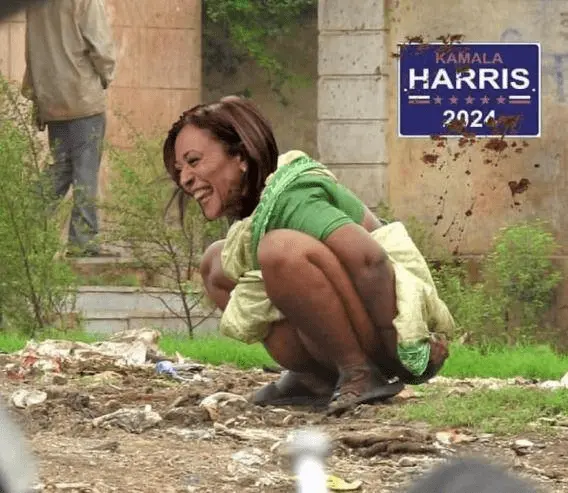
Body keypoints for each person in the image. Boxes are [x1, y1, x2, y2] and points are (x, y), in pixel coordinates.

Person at [163, 96, 455, 415]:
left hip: (386, 321)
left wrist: (402, 351)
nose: (185, 179)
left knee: (280, 250)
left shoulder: (293, 196)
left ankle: (360, 372)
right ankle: (314, 378)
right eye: (180, 169)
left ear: (241, 156)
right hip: (349, 321)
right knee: (215, 263)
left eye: (194, 161)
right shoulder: (259, 210)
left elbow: (369, 259)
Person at [22, 0, 116, 257]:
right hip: (82, 96)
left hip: (52, 98)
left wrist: (38, 97)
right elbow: (101, 48)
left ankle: (21, 220)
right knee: (85, 170)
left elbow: (32, 52)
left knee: (62, 166)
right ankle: (83, 242)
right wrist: (106, 77)